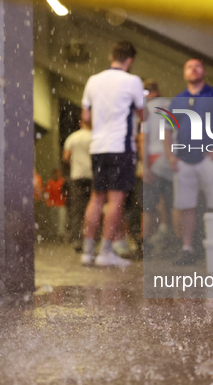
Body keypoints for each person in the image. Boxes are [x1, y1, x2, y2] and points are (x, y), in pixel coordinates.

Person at [80, 41, 146, 267]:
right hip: (121, 147)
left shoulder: (93, 81)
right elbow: (143, 114)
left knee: (96, 198)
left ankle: (87, 251)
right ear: (130, 60)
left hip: (98, 147)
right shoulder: (132, 81)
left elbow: (86, 117)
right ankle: (105, 252)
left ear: (111, 56)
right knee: (116, 199)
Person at [164, 59, 213, 266]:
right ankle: (187, 248)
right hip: (184, 160)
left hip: (209, 158)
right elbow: (166, 131)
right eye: (188, 67)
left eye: (198, 66)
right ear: (184, 73)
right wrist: (170, 155)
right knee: (185, 206)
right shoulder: (176, 101)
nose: (193, 69)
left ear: (204, 71)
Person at [141, 80, 175, 256]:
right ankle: (176, 242)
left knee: (148, 205)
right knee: (173, 203)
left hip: (154, 158)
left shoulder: (146, 111)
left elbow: (144, 139)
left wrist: (144, 166)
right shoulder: (170, 105)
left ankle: (145, 244)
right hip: (171, 158)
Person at [63, 120, 93, 252]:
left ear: (80, 123)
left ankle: (77, 239)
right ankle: (91, 239)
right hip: (92, 176)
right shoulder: (95, 137)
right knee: (92, 207)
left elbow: (65, 157)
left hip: (77, 176)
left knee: (77, 209)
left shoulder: (72, 138)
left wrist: (74, 165)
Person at [45, 168, 67, 240]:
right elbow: (47, 193)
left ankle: (61, 235)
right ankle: (54, 235)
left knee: (61, 220)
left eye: (59, 173)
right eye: (56, 173)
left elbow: (66, 193)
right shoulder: (50, 182)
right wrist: (47, 201)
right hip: (52, 204)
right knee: (53, 220)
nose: (58, 174)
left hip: (61, 205)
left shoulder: (63, 182)